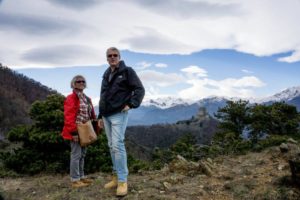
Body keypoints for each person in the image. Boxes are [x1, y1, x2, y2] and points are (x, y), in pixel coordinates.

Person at [98, 47, 145, 196]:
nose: (112, 57)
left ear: (119, 57)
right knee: (111, 146)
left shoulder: (127, 71)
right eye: (109, 56)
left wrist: (131, 104)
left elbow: (139, 89)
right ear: (106, 58)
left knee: (117, 145)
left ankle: (123, 181)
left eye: (115, 55)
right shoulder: (106, 74)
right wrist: (100, 115)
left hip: (119, 113)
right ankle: (116, 177)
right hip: (106, 115)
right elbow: (103, 96)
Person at [62, 75, 95, 188]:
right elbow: (69, 116)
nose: (81, 83)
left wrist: (96, 124)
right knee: (76, 154)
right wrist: (73, 132)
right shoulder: (71, 98)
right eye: (78, 81)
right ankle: (75, 179)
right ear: (74, 84)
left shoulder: (86, 98)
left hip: (85, 129)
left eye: (83, 81)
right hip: (76, 129)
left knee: (83, 154)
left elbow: (90, 114)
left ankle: (81, 177)